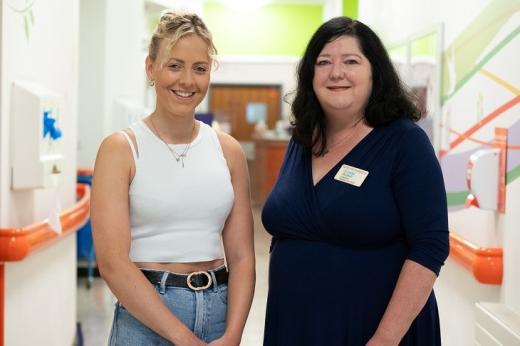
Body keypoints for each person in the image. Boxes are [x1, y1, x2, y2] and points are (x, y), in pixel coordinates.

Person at [262, 16, 449, 345]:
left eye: (351, 61)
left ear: (375, 71)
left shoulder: (404, 142)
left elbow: (430, 246)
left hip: (374, 330)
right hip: (297, 324)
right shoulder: (302, 141)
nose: (336, 73)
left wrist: (384, 339)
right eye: (324, 62)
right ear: (310, 75)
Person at [91, 11, 255, 346]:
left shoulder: (228, 151)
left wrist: (234, 335)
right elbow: (112, 263)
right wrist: (182, 337)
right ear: (151, 68)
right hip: (145, 316)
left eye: (200, 68)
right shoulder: (121, 149)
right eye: (174, 65)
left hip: (219, 314)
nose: (187, 81)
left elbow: (241, 256)